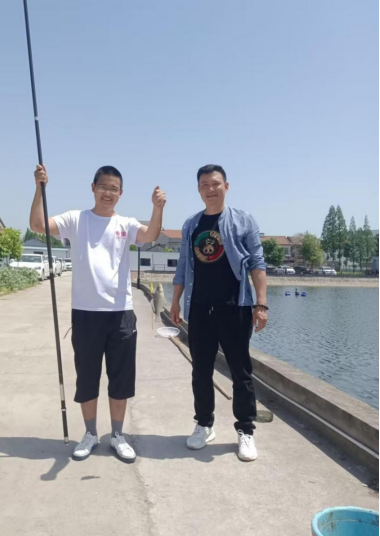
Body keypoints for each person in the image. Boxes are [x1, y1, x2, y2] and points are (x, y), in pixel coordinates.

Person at [30, 165, 167, 463]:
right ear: (93, 188)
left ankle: (117, 435)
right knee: (87, 378)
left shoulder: (126, 224)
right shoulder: (76, 219)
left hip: (121, 313)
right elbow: (38, 225)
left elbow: (152, 233)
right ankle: (90, 434)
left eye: (114, 188)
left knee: (121, 378)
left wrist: (157, 208)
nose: (108, 193)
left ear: (121, 193)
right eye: (103, 186)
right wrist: (40, 189)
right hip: (86, 314)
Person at [170, 165, 268, 462]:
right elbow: (184, 265)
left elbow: (257, 263)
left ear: (226, 186)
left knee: (241, 371)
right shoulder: (191, 224)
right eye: (204, 185)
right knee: (200, 370)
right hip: (200, 308)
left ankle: (246, 430)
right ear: (198, 189)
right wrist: (175, 302)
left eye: (215, 183)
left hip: (235, 308)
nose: (210, 189)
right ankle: (204, 424)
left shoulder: (243, 220)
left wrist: (261, 304)